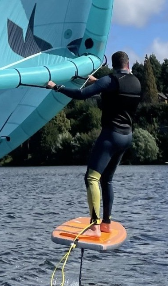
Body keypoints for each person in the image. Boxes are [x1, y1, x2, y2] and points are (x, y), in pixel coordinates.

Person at [46, 51, 142, 237]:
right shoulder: (136, 82)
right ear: (128, 65)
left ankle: (95, 226)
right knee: (107, 179)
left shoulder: (110, 81)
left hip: (111, 136)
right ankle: (106, 223)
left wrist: (56, 87)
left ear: (113, 66)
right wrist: (96, 82)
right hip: (127, 136)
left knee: (91, 178)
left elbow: (81, 95)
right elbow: (117, 92)